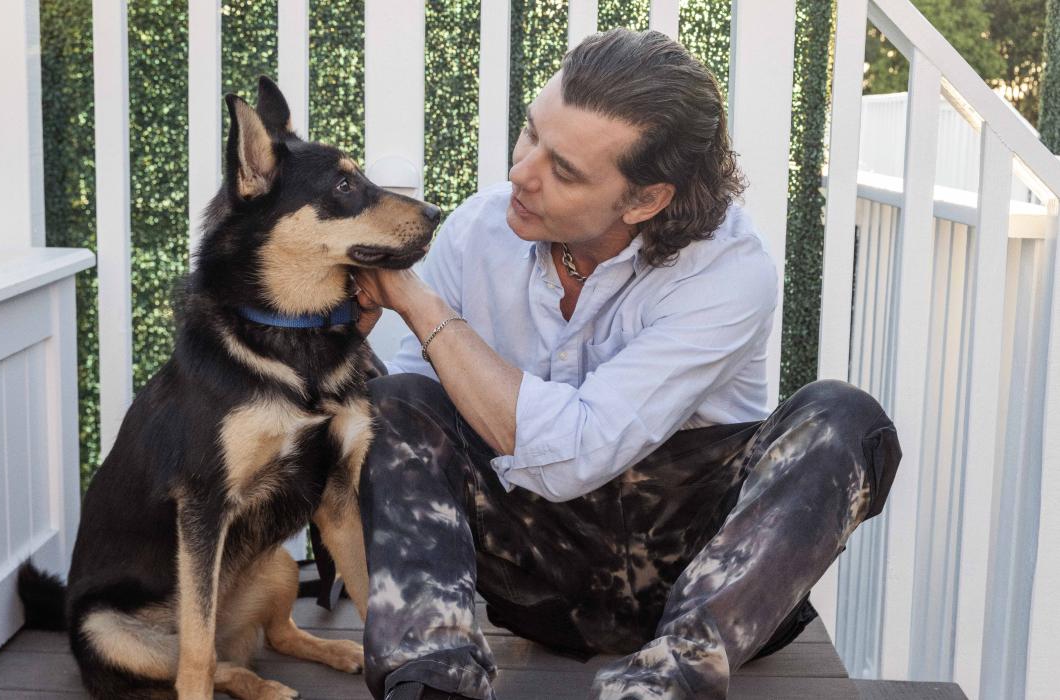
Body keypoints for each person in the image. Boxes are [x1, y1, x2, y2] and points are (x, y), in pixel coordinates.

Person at [346, 28, 901, 700]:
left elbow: (581, 452)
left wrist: (423, 306)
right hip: (537, 574)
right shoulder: (480, 227)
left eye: (565, 169)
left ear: (645, 200)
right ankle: (432, 685)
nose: (522, 172)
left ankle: (660, 688)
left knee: (847, 419)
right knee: (396, 400)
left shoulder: (729, 271)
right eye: (531, 136)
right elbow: (422, 421)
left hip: (701, 579)